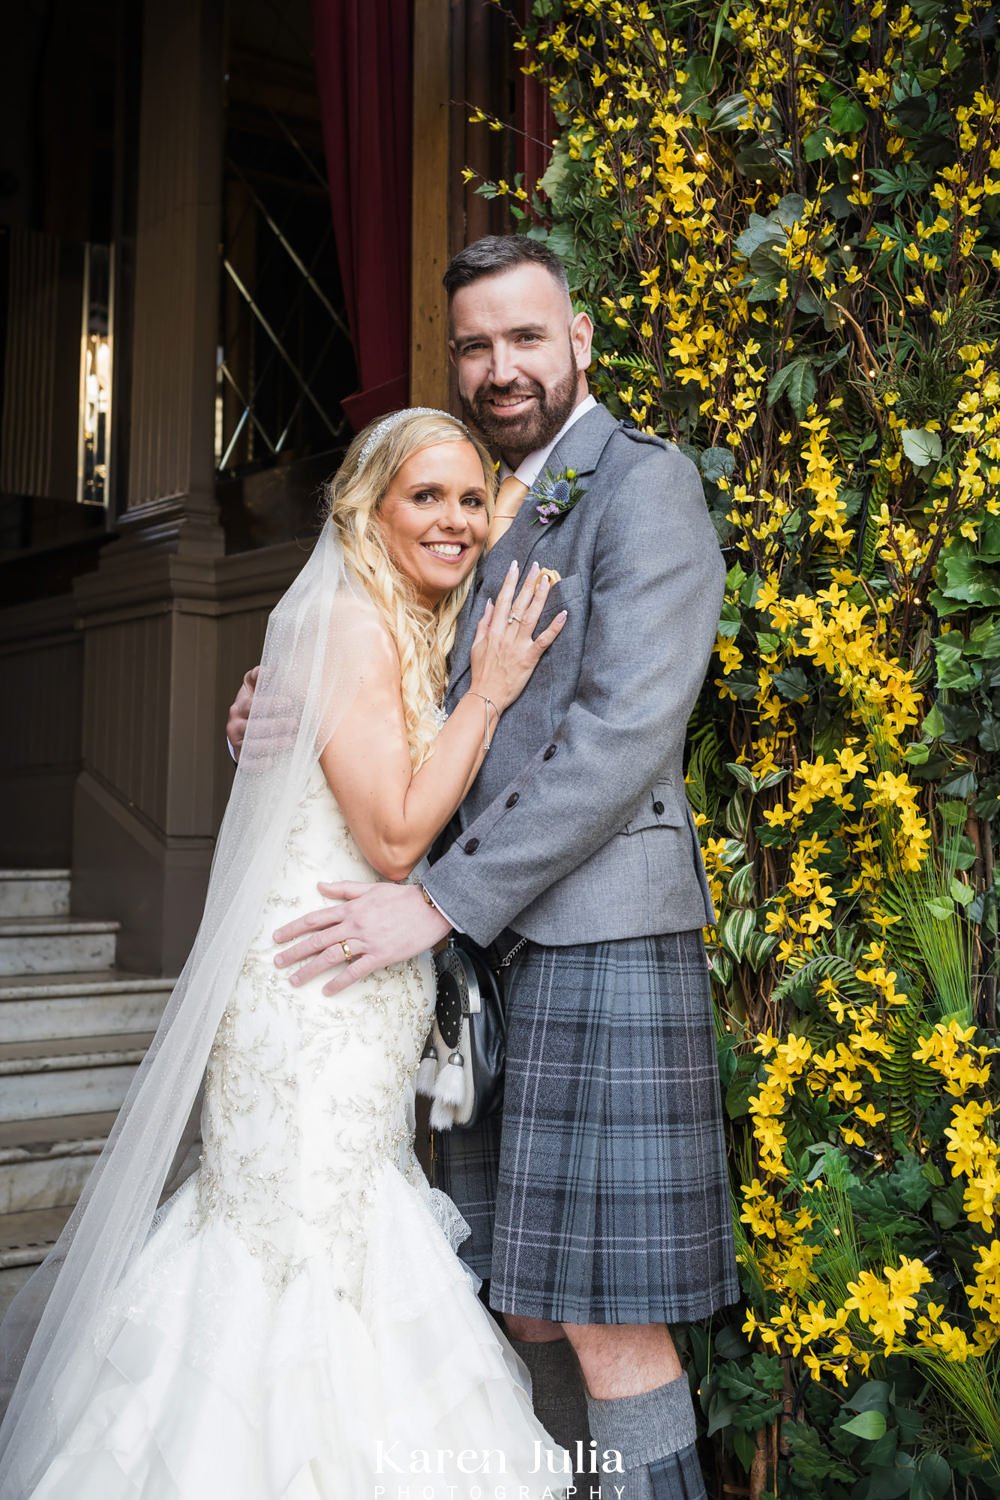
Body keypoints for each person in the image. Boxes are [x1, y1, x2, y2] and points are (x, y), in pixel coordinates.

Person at [228, 237, 740, 1500]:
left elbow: (623, 736)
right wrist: (272, 699)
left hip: (597, 938)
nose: (499, 366)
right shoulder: (478, 503)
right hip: (478, 965)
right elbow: (385, 678)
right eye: (474, 344)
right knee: (519, 1302)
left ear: (579, 343)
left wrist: (440, 898)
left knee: (610, 1314)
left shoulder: (641, 484)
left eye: (525, 337)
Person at [0, 409, 573, 1500]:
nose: (452, 521)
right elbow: (397, 835)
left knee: (335, 1234)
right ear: (366, 510)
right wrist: (491, 696)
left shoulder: (404, 620)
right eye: (424, 497)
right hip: (314, 996)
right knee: (299, 1247)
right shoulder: (354, 625)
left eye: (468, 499)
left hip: (361, 986)